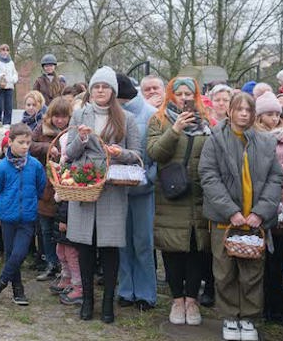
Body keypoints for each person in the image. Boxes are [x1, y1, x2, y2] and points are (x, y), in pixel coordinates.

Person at [200, 92, 283, 341]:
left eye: (249, 109)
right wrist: (231, 211)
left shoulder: (266, 141)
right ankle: (229, 317)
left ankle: (248, 318)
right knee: (225, 271)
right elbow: (209, 176)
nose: (244, 114)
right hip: (225, 219)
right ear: (230, 111)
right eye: (239, 109)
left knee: (252, 271)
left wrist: (261, 212)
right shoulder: (215, 139)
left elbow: (275, 178)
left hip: (254, 220)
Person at [66, 66, 141, 324]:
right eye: (97, 86)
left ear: (113, 91)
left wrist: (120, 153)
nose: (100, 90)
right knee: (84, 247)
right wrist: (83, 140)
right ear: (91, 89)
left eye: (105, 87)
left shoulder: (127, 119)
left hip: (112, 190)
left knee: (109, 248)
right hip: (85, 186)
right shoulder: (79, 115)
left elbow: (137, 155)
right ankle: (87, 301)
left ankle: (108, 302)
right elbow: (69, 154)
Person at [147, 77, 212, 326]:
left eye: (189, 93)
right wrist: (175, 130)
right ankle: (177, 299)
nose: (184, 97)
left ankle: (192, 300)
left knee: (197, 248)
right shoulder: (159, 120)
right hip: (170, 194)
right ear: (171, 96)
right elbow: (154, 153)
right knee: (173, 248)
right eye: (179, 93)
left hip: (198, 194)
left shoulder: (206, 122)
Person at [0, 123, 47, 306]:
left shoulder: (34, 165)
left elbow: (40, 186)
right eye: (21, 142)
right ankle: (18, 290)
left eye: (28, 142)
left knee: (19, 254)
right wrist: (5, 202)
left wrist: (30, 202)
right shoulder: (2, 167)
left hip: (27, 218)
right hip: (8, 217)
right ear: (10, 142)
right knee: (12, 254)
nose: (25, 146)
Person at [254, 91, 283, 327]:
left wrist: (271, 170)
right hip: (258, 205)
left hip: (282, 205)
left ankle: (278, 309)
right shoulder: (253, 138)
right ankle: (260, 306)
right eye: (268, 113)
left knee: (280, 259)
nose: (273, 118)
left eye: (276, 114)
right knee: (259, 260)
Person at [117, 73, 158, 311]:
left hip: (143, 190)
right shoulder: (114, 114)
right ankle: (126, 290)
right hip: (119, 190)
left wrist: (148, 180)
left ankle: (145, 293)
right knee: (122, 242)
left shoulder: (151, 115)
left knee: (143, 242)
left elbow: (159, 155)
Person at [29, 97, 73, 283]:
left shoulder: (72, 130)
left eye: (63, 117)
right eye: (56, 116)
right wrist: (47, 147)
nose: (60, 121)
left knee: (63, 229)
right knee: (45, 228)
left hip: (67, 184)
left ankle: (68, 268)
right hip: (45, 185)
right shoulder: (41, 128)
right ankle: (51, 263)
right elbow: (29, 145)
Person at [0, 44, 18, 124]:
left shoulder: (11, 62)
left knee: (9, 107)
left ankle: (7, 124)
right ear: (0, 51)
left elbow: (14, 73)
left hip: (9, 87)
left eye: (7, 50)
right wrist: (1, 76)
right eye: (3, 50)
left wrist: (13, 79)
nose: (5, 52)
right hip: (0, 87)